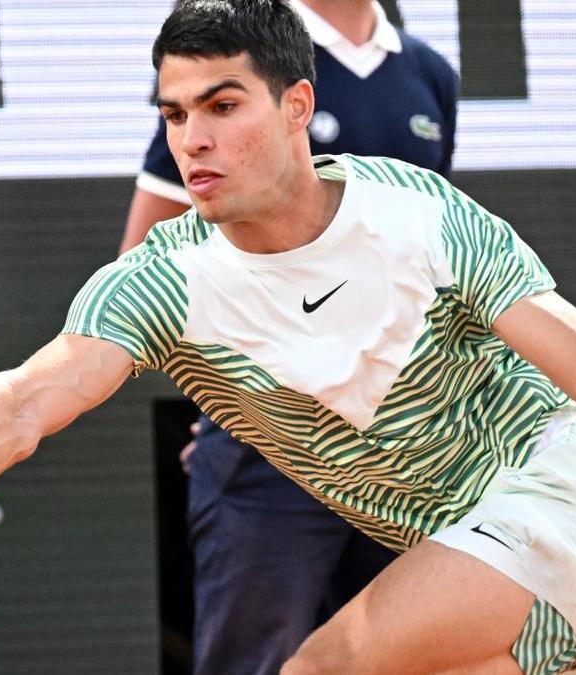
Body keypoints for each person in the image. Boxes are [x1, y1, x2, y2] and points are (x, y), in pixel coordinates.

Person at [0, 1, 576, 672]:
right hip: (506, 569)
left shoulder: (416, 215)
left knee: (322, 666)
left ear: (295, 105)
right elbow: (19, 400)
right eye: (173, 113)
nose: (193, 138)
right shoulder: (163, 283)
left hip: (567, 504)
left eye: (222, 105)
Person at [119, 1, 458, 671]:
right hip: (271, 455)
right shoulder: (235, 60)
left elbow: (433, 260)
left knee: (416, 654)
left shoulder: (430, 73)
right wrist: (232, 398)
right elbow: (144, 269)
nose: (198, 127)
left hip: (406, 449)